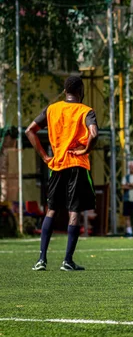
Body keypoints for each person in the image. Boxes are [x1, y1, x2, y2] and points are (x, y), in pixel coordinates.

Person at [26, 76, 98, 271]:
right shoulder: (86, 111)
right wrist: (85, 151)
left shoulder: (52, 109)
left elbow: (30, 130)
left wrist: (44, 156)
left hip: (57, 165)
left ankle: (41, 259)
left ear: (65, 90)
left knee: (52, 209)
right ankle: (67, 260)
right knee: (73, 211)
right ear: (80, 90)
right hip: (77, 164)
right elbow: (94, 133)